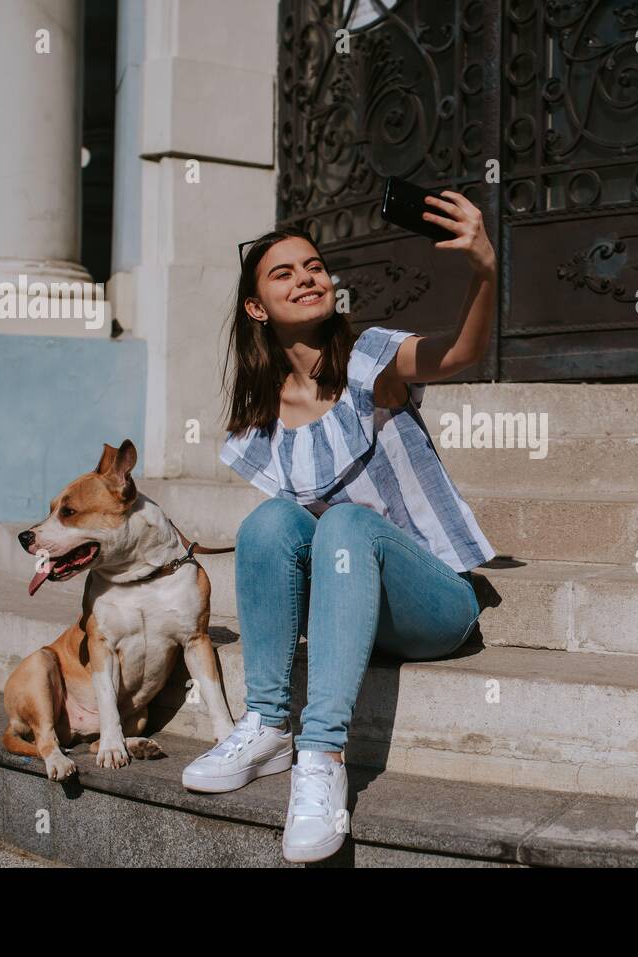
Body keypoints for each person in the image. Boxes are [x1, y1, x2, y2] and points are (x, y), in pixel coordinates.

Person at [182, 190, 498, 863]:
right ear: (256, 307)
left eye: (315, 266)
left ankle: (321, 754)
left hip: (436, 602)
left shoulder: (369, 364)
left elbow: (459, 353)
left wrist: (483, 271)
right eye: (284, 272)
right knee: (269, 521)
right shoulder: (261, 424)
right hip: (357, 605)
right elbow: (285, 543)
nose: (307, 276)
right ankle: (267, 724)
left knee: (348, 521)